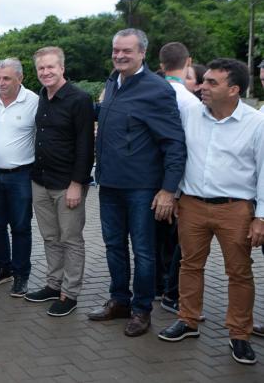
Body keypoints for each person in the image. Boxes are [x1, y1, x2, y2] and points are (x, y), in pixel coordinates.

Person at [157, 59, 264, 366]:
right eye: (203, 81)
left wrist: (261, 217)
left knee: (239, 273)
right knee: (190, 265)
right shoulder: (191, 114)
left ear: (233, 90)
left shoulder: (256, 124)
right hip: (191, 205)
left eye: (212, 83)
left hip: (236, 209)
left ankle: (239, 334)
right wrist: (174, 194)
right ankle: (187, 320)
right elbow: (177, 154)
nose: (202, 86)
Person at [89, 28, 186, 337]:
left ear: (143, 53)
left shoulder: (157, 89)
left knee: (143, 251)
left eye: (126, 51)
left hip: (142, 187)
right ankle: (119, 300)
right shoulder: (112, 82)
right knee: (113, 246)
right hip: (110, 185)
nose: (119, 55)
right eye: (116, 50)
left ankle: (141, 310)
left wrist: (169, 189)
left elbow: (174, 143)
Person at [24, 47, 94, 316]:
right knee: (50, 237)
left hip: (67, 184)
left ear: (62, 68)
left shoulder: (79, 99)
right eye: (41, 68)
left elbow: (86, 145)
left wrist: (77, 183)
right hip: (40, 181)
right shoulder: (42, 96)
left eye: (51, 67)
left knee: (71, 239)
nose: (46, 72)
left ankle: (70, 293)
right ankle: (53, 284)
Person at [0, 58, 37, 297]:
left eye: (7, 79)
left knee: (21, 226)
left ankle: (21, 274)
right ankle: (2, 268)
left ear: (20, 79)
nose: (1, 83)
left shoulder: (33, 101)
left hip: (20, 175)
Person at [156, 43, 200, 316]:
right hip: (177, 186)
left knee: (156, 242)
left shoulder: (152, 93)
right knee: (177, 246)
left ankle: (159, 289)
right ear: (188, 62)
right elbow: (189, 147)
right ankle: (171, 294)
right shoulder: (189, 101)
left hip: (150, 180)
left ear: (161, 65)